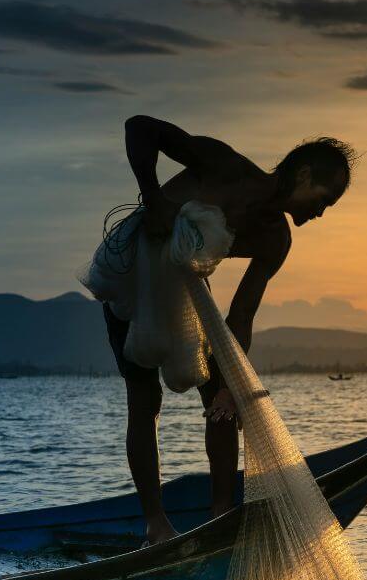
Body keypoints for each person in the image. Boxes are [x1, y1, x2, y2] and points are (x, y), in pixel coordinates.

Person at [97, 115, 353, 544]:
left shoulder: (276, 239)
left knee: (221, 390)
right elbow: (139, 127)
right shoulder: (224, 166)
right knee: (145, 398)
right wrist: (155, 199)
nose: (321, 212)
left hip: (186, 289)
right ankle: (156, 524)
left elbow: (242, 316)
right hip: (133, 277)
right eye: (324, 198)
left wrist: (232, 386)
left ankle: (220, 515)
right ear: (304, 174)